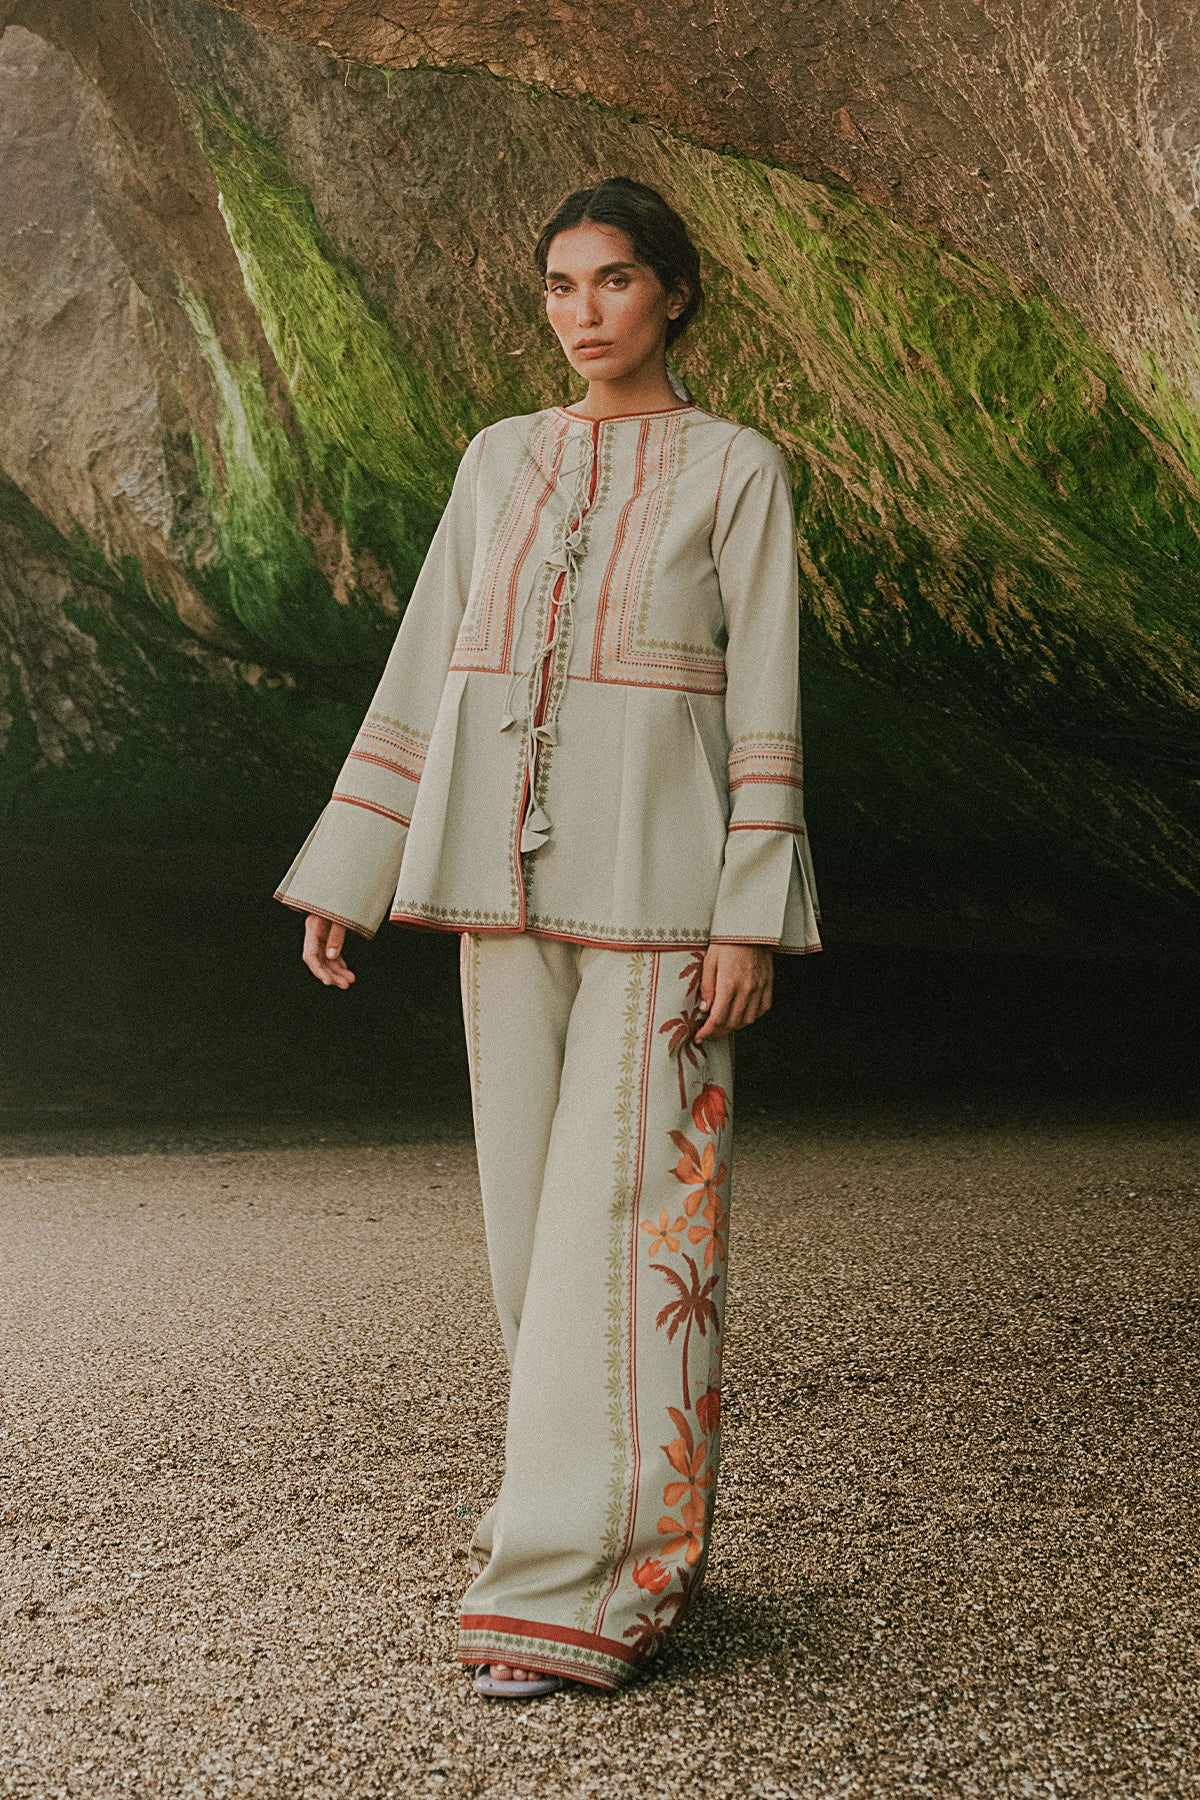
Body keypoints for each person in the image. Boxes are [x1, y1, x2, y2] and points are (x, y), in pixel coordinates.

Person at [275, 176, 821, 1698]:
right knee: (529, 1235)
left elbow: (767, 698)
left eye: (615, 280)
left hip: (664, 909)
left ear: (675, 295)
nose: (585, 312)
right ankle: (581, 1524)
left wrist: (749, 916)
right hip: (497, 899)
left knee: (628, 1230)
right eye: (561, 286)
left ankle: (588, 1586)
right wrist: (352, 866)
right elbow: (427, 661)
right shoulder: (499, 458)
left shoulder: (737, 469)